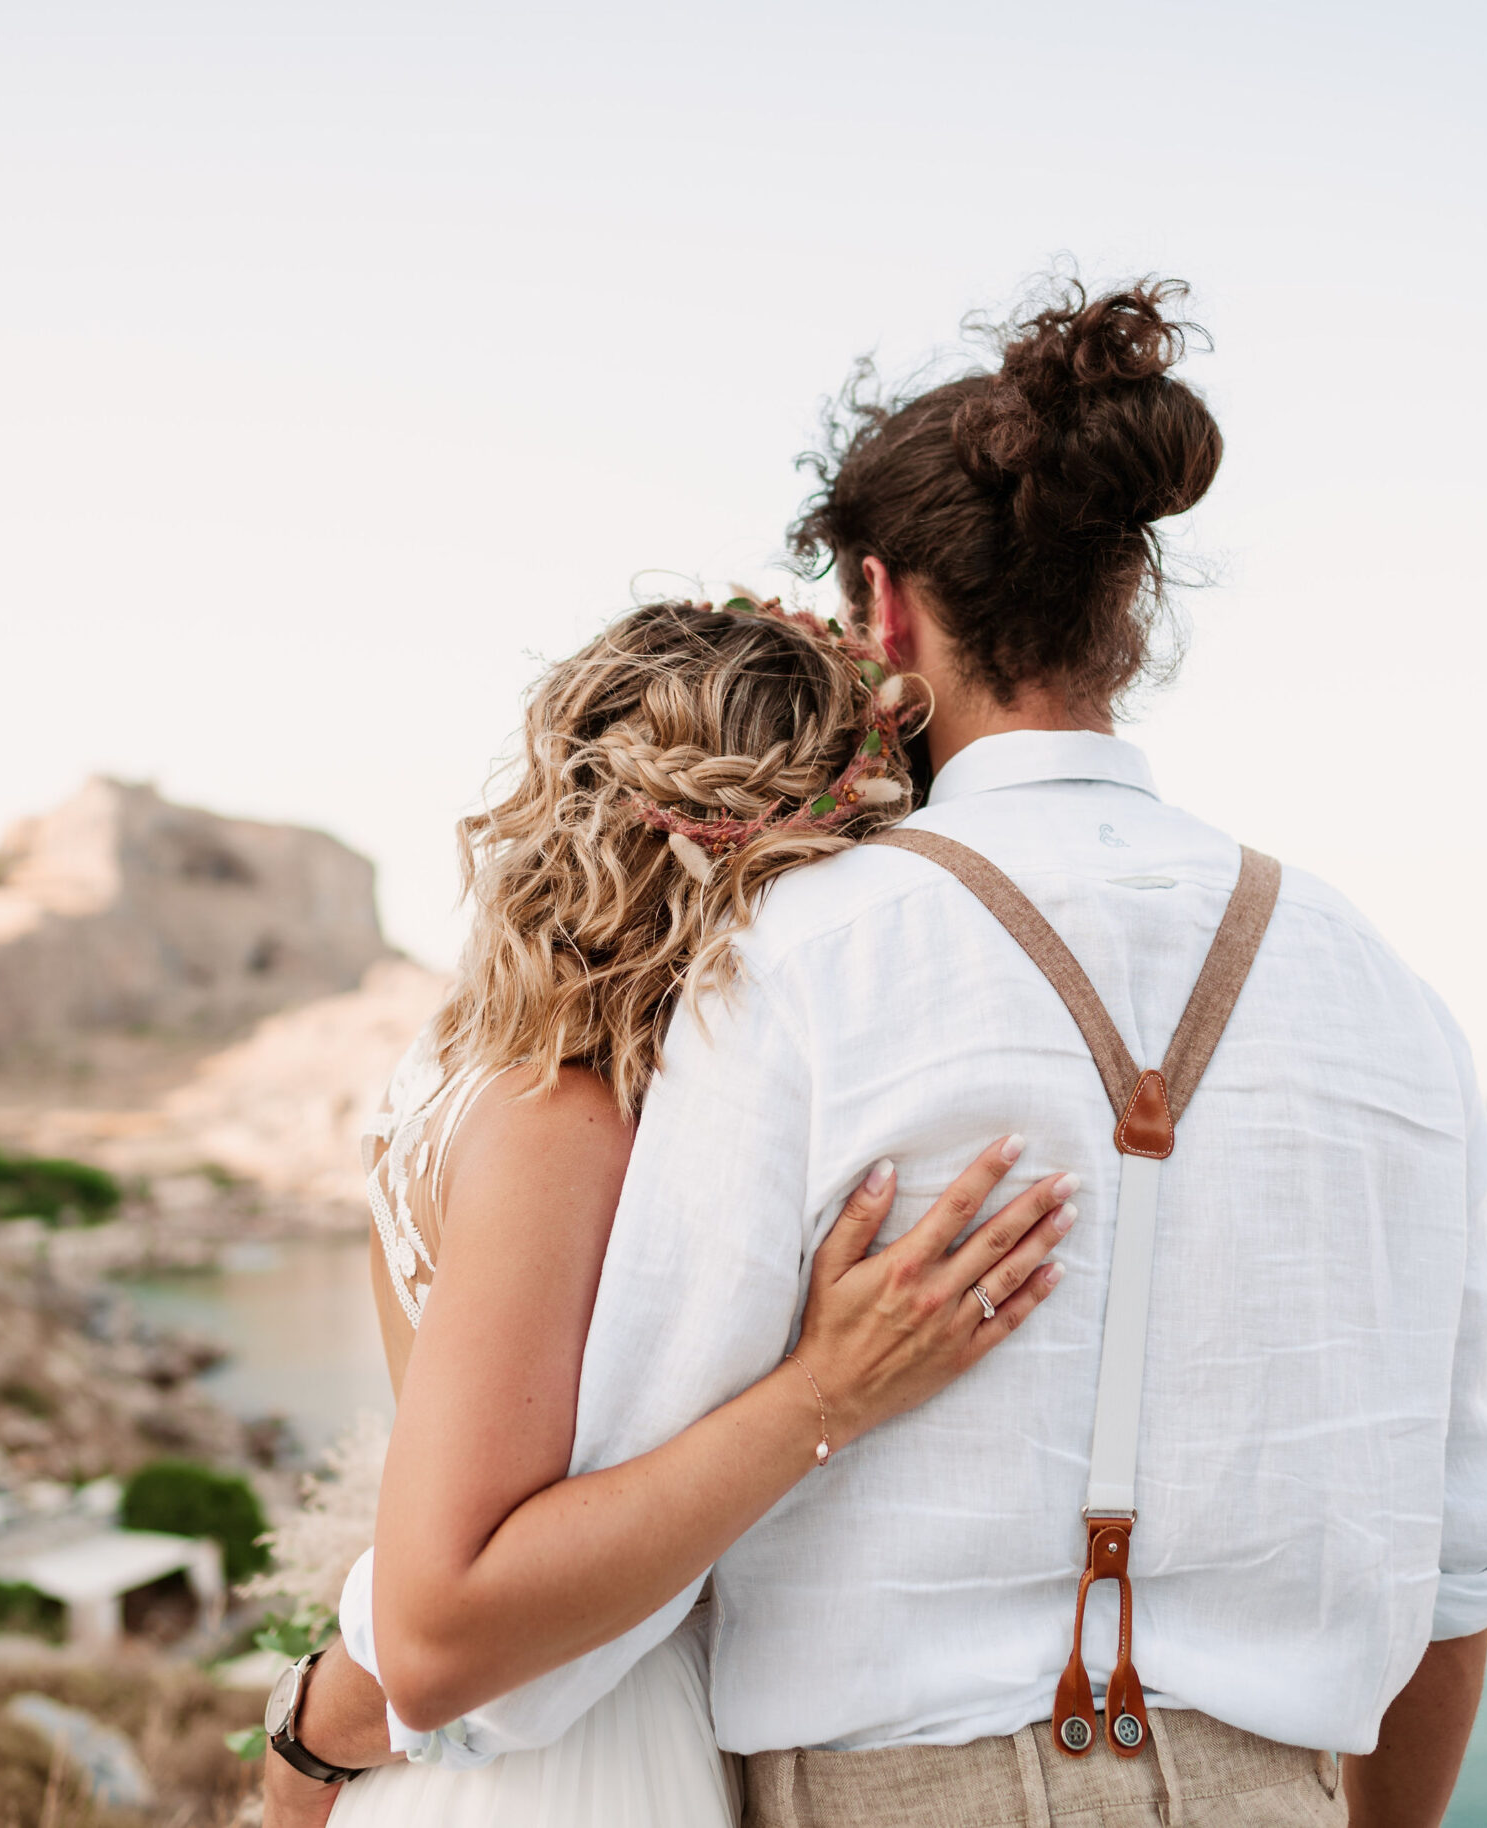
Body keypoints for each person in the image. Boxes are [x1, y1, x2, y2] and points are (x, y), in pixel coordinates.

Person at [295, 277, 1487, 1828]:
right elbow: (1463, 1556)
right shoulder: (1390, 991)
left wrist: (322, 1751)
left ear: (885, 610)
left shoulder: (798, 963)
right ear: (1132, 611)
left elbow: (540, 1600)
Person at [260, 597, 1078, 1828]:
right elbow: (450, 1618)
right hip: (570, 1768)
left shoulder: (465, 1067)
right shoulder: (565, 1124)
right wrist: (829, 1391)